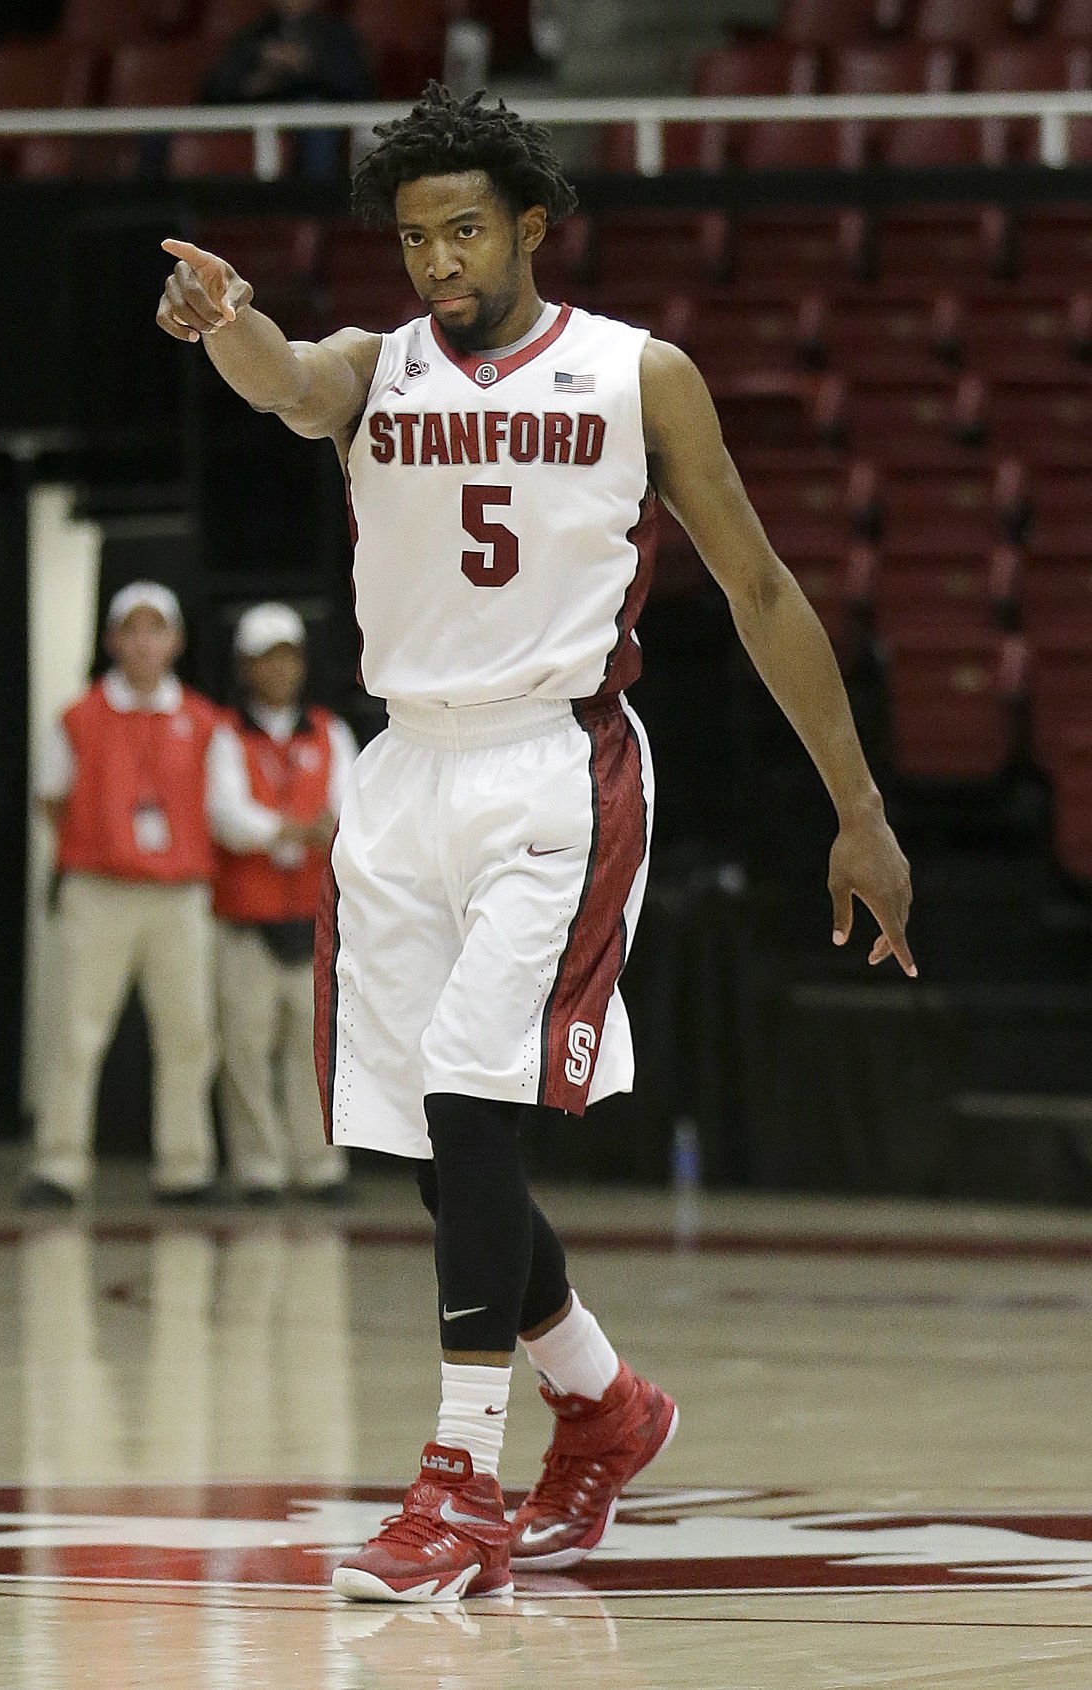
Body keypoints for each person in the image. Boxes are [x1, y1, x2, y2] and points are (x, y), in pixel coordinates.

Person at [156, 82, 915, 1602]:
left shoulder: (641, 376)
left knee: (469, 1099)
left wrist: (861, 809)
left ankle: (459, 1485)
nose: (437, 259)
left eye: (463, 230)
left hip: (554, 765)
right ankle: (608, 1404)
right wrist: (228, 321)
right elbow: (295, 383)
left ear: (530, 226)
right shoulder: (380, 367)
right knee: (442, 1152)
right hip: (405, 768)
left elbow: (761, 591)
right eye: (416, 236)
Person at [24, 583, 220, 1208]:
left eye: (155, 630)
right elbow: (51, 797)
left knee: (189, 1033)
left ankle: (185, 1166)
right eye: (130, 630)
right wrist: (103, 845)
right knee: (77, 1030)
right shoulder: (78, 717)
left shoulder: (203, 720)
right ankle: (60, 1163)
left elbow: (219, 808)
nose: (143, 643)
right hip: (100, 891)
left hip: (178, 895)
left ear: (176, 641)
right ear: (111, 641)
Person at [209, 601, 358, 1204]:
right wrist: (288, 831)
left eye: (289, 657)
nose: (279, 670)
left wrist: (310, 828)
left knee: (314, 1049)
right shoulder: (224, 734)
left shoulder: (330, 731)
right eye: (266, 659)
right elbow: (224, 814)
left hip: (314, 915)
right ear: (245, 666)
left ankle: (320, 1167)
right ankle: (258, 1169)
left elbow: (352, 809)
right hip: (246, 916)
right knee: (244, 1049)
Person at [202, 0, 373, 181]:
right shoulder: (253, 35)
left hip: (317, 117)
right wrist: (255, 82)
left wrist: (305, 65)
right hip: (260, 113)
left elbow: (357, 87)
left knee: (314, 116)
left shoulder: (335, 34)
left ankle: (317, 200)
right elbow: (215, 91)